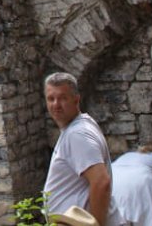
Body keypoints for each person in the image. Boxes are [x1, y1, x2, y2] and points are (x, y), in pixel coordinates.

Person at [43, 72, 125, 226]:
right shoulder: (77, 128)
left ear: (76, 99)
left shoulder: (77, 134)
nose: (56, 104)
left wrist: (95, 224)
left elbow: (101, 182)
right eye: (51, 98)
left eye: (62, 98)